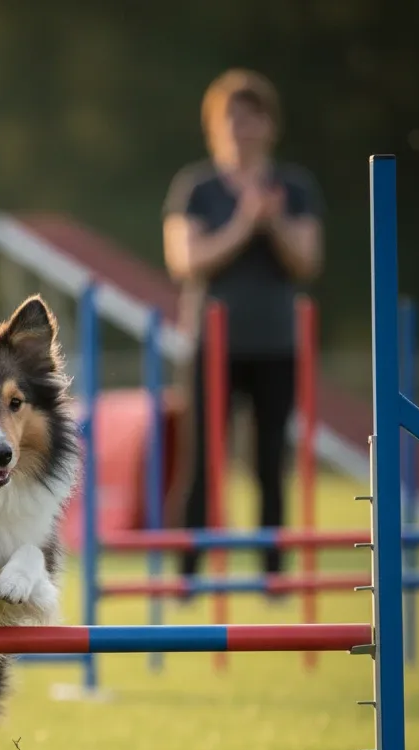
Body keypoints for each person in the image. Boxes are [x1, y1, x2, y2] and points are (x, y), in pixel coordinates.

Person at [162, 69, 324, 580]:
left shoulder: (294, 187)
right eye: (230, 117)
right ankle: (187, 570)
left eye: (251, 117)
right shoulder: (196, 187)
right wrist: (244, 222)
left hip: (276, 342)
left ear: (269, 125)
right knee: (202, 460)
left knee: (271, 459)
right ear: (213, 126)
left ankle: (273, 571)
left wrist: (271, 220)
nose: (241, 127)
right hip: (211, 343)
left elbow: (307, 260)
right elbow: (185, 260)